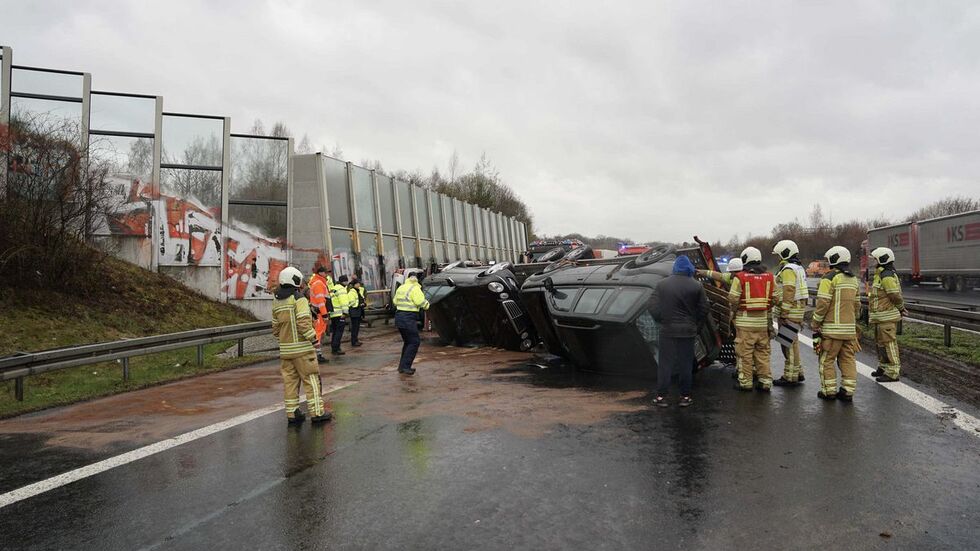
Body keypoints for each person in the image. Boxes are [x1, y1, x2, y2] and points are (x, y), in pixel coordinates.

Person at [272, 267, 331, 425]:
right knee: (311, 379)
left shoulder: (277, 301)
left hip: (286, 351)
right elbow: (304, 323)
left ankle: (293, 414)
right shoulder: (299, 299)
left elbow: (275, 329)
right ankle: (317, 413)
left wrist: (285, 338)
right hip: (303, 350)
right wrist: (313, 339)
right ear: (295, 281)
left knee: (290, 382)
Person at [650, 255, 709, 407]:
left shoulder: (662, 284)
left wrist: (661, 319)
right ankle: (685, 397)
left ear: (675, 268)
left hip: (667, 331)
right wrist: (696, 325)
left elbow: (652, 306)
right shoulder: (696, 286)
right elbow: (704, 309)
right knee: (685, 365)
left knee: (665, 365)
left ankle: (661, 397)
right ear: (689, 267)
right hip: (687, 331)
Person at [811, 246, 861, 402]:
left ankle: (829, 391)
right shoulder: (853, 279)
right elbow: (857, 304)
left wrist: (815, 322)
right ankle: (847, 391)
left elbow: (823, 303)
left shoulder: (829, 278)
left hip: (832, 331)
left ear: (834, 260)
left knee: (826, 360)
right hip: (849, 331)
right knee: (848, 360)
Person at [728, 246, 778, 392]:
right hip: (762, 324)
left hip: (744, 324)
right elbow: (776, 298)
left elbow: (733, 299)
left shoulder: (740, 278)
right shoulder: (770, 277)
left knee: (745, 354)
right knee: (763, 353)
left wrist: (735, 311)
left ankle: (745, 382)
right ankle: (765, 382)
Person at [771, 239, 809, 386]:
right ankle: (798, 372)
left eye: (779, 255)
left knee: (788, 343)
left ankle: (790, 376)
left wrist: (784, 312)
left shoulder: (788, 269)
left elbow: (788, 290)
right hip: (797, 309)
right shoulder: (798, 267)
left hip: (791, 310)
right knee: (792, 342)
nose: (778, 258)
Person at [868, 247, 906, 383]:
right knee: (881, 344)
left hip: (887, 316)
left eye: (875, 259)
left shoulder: (887, 276)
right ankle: (883, 367)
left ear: (882, 260)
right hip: (880, 316)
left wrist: (901, 308)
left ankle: (893, 372)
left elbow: (894, 295)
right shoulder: (881, 274)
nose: (873, 261)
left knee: (889, 344)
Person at [393, 272, 430, 375]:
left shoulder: (401, 287)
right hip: (408, 318)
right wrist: (427, 305)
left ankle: (402, 366)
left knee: (408, 342)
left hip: (399, 317)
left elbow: (395, 301)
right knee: (414, 342)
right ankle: (405, 367)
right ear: (416, 279)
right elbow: (420, 302)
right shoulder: (415, 288)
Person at [308, 265, 332, 363]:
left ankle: (316, 355)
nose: (327, 275)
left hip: (318, 313)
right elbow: (321, 302)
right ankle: (317, 355)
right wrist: (325, 315)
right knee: (317, 335)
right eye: (326, 273)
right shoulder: (319, 283)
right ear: (321, 273)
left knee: (317, 334)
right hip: (319, 314)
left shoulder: (319, 282)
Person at [329, 274, 351, 355]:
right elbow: (344, 302)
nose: (347, 283)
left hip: (333, 313)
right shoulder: (342, 289)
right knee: (339, 332)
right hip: (340, 314)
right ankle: (336, 348)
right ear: (344, 282)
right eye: (346, 281)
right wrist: (345, 312)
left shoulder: (333, 289)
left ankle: (333, 347)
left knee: (334, 331)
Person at [347, 278, 367, 347]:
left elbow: (361, 298)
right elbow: (352, 303)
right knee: (354, 327)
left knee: (357, 327)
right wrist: (359, 304)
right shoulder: (351, 292)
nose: (359, 285)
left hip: (358, 311)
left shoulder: (358, 291)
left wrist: (363, 303)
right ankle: (354, 341)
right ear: (354, 284)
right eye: (357, 283)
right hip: (354, 311)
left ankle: (356, 340)